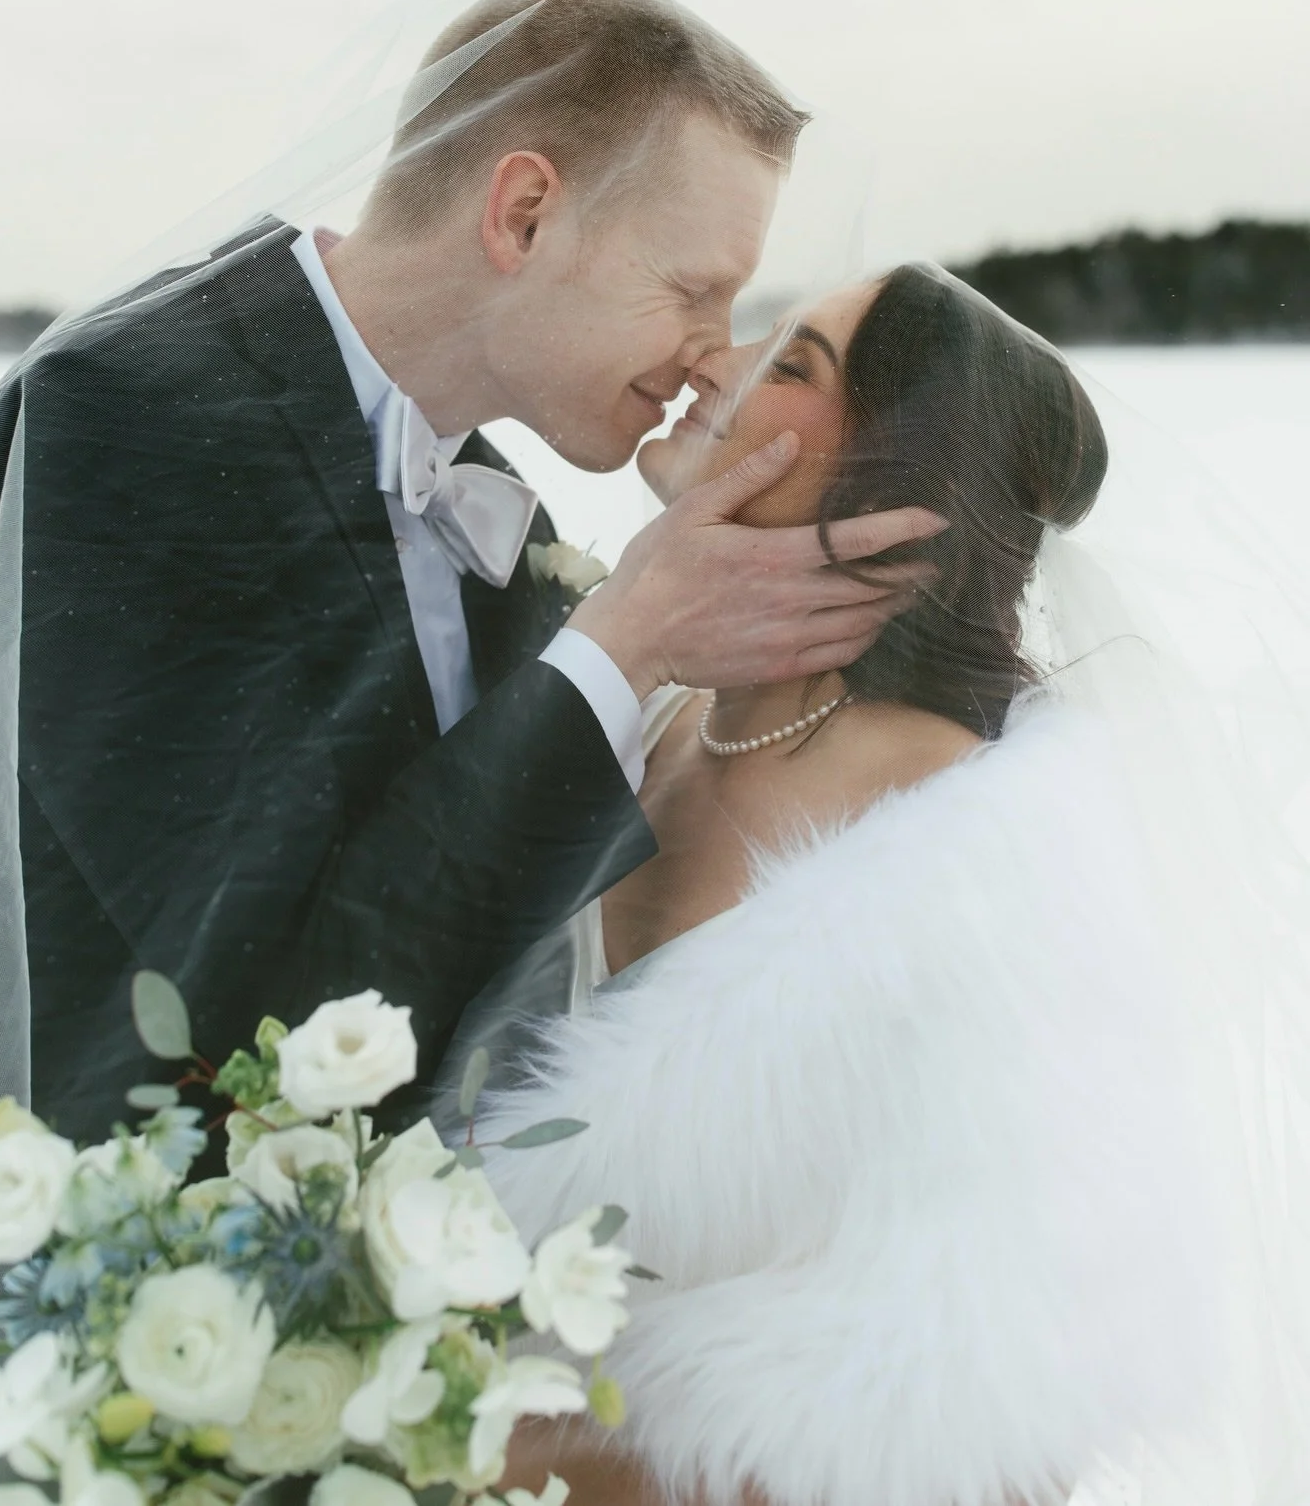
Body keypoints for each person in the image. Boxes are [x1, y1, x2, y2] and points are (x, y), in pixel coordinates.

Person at [0, 0, 939, 1153]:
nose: (715, 355)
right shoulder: (127, 418)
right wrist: (623, 643)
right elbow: (224, 1024)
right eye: (694, 289)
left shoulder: (501, 515)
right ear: (523, 215)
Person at [449, 264, 1295, 1506]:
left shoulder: (985, 861)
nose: (710, 365)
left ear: (907, 491)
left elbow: (1003, 1414)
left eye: (788, 365)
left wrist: (498, 1462)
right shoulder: (643, 714)